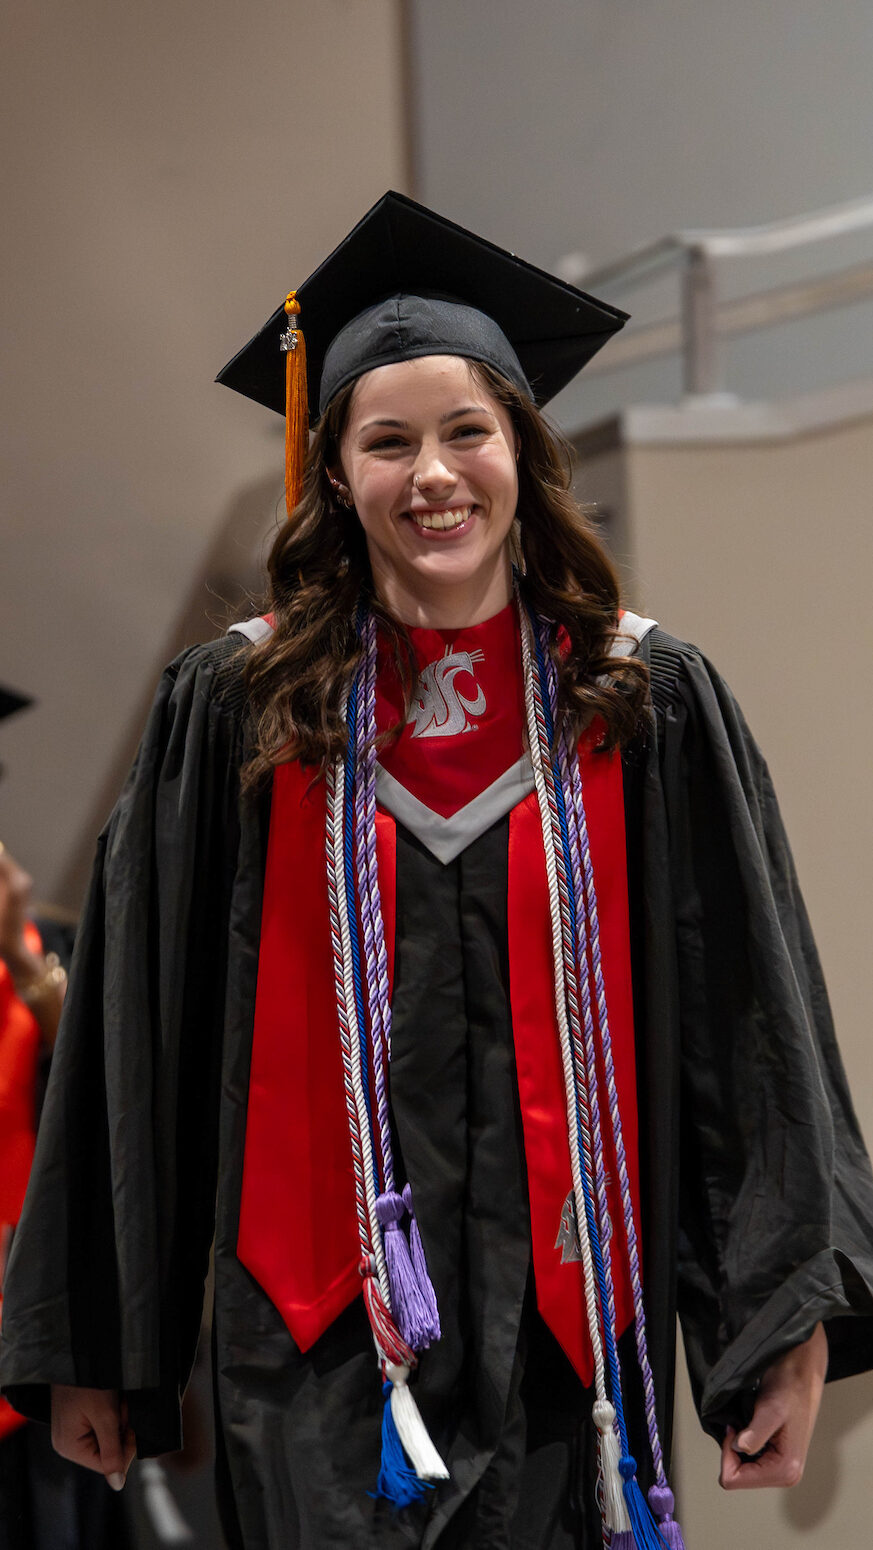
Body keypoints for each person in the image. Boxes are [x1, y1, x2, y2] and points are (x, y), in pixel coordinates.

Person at [2, 192, 872, 1550]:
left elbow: (745, 1023)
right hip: (307, 1351)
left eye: (466, 431)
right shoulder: (238, 707)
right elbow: (138, 1035)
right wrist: (93, 1338)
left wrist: (775, 1322)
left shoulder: (638, 700)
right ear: (335, 473)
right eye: (387, 439)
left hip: (571, 1342)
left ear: (523, 450)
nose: (433, 474)